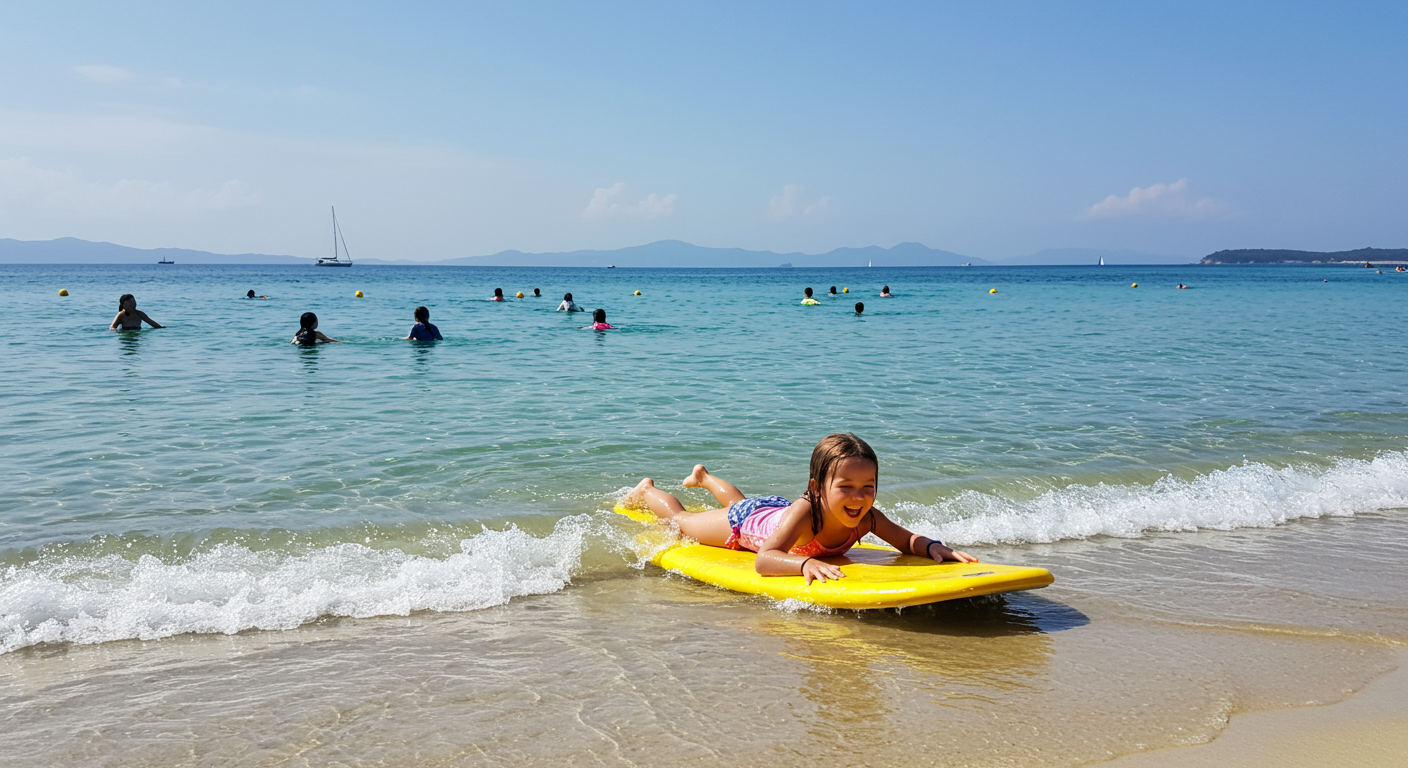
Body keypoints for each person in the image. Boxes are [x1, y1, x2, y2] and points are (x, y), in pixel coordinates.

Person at [624, 433, 977, 584]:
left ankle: (703, 477)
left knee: (739, 500)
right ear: (816, 489)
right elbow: (765, 558)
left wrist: (933, 547)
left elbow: (906, 540)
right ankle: (648, 491)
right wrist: (805, 562)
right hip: (745, 525)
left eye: (868, 487)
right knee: (683, 521)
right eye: (846, 488)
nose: (859, 498)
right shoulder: (807, 512)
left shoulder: (867, 518)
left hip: (770, 511)